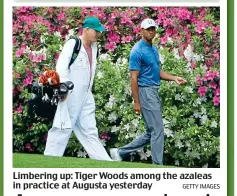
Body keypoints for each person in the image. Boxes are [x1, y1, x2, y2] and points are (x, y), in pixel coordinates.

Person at [110, 18, 187, 165]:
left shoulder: (154, 49)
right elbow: (133, 78)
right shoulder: (137, 51)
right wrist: (137, 102)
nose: (151, 32)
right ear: (142, 30)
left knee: (152, 131)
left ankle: (119, 152)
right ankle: (158, 166)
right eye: (148, 29)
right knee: (158, 130)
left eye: (153, 29)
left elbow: (157, 72)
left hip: (153, 91)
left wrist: (174, 78)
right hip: (145, 92)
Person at [44, 16, 112, 161]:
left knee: (90, 131)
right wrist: (64, 85)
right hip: (70, 94)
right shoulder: (73, 44)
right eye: (96, 31)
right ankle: (49, 161)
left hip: (86, 95)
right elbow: (61, 67)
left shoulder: (94, 48)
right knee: (62, 128)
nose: (98, 34)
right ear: (86, 30)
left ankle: (105, 163)